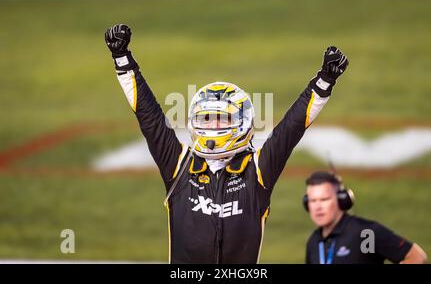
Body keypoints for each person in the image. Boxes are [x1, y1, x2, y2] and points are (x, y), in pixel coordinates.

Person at [104, 23, 349, 263]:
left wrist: (324, 80)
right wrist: (122, 59)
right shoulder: (179, 166)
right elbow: (148, 116)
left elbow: (292, 128)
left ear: (242, 123)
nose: (212, 127)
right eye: (206, 119)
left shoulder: (258, 170)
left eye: (221, 119)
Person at [303, 171, 428, 264]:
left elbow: (417, 257)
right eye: (313, 201)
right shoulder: (314, 242)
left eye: (324, 199)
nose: (318, 206)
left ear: (342, 199)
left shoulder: (364, 233)